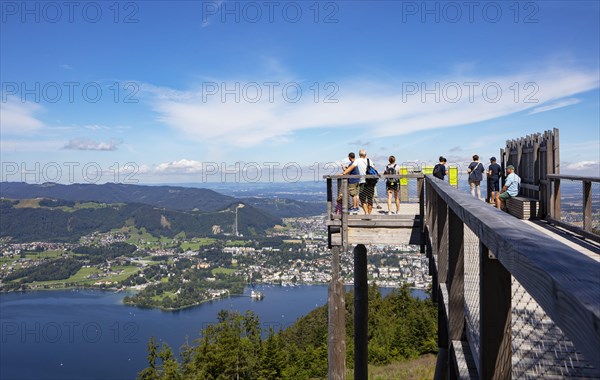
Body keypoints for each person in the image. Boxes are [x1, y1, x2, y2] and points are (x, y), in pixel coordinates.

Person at [356, 149, 376, 215]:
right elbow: (374, 169)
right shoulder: (369, 160)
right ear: (365, 154)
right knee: (370, 199)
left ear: (359, 154)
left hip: (362, 182)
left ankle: (366, 213)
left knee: (362, 199)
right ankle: (369, 215)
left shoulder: (357, 161)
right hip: (370, 182)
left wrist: (344, 172)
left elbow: (351, 168)